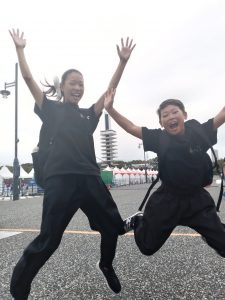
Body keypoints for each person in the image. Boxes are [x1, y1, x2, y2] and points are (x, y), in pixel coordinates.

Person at [9, 28, 135, 299]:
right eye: (73, 83)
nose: (78, 87)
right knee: (49, 241)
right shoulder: (51, 110)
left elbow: (110, 90)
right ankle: (19, 287)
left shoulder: (88, 116)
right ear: (63, 87)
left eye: (81, 84)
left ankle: (105, 264)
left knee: (112, 227)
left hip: (90, 178)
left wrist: (122, 62)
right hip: (61, 180)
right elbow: (29, 78)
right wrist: (21, 49)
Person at [104, 88, 225, 259]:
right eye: (165, 115)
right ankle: (138, 221)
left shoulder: (199, 133)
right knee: (147, 247)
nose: (170, 117)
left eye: (175, 112)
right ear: (161, 122)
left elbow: (222, 114)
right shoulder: (158, 138)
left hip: (197, 200)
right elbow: (130, 127)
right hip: (168, 200)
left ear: (185, 115)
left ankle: (209, 233)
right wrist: (110, 109)